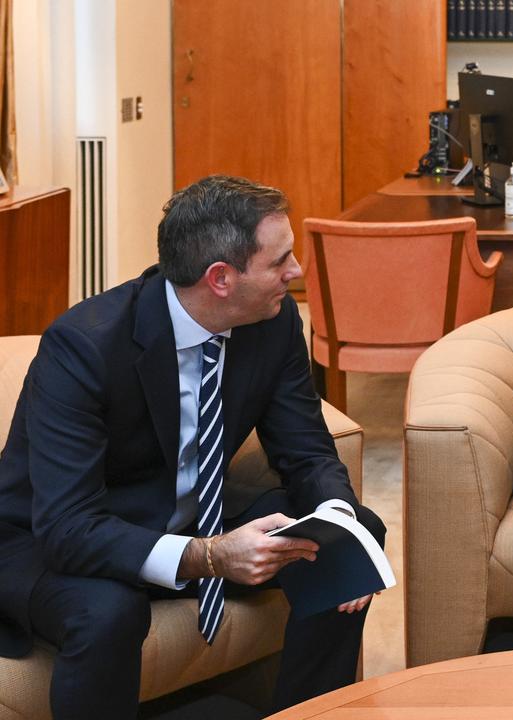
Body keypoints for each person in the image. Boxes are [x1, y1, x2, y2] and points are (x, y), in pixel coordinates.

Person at [0, 175, 387, 719]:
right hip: (52, 537)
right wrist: (209, 556)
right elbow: (67, 526)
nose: (296, 273)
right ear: (221, 278)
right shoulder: (83, 347)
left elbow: (307, 450)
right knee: (108, 611)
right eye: (281, 261)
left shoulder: (271, 326)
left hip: (187, 514)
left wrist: (336, 523)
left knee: (355, 531)